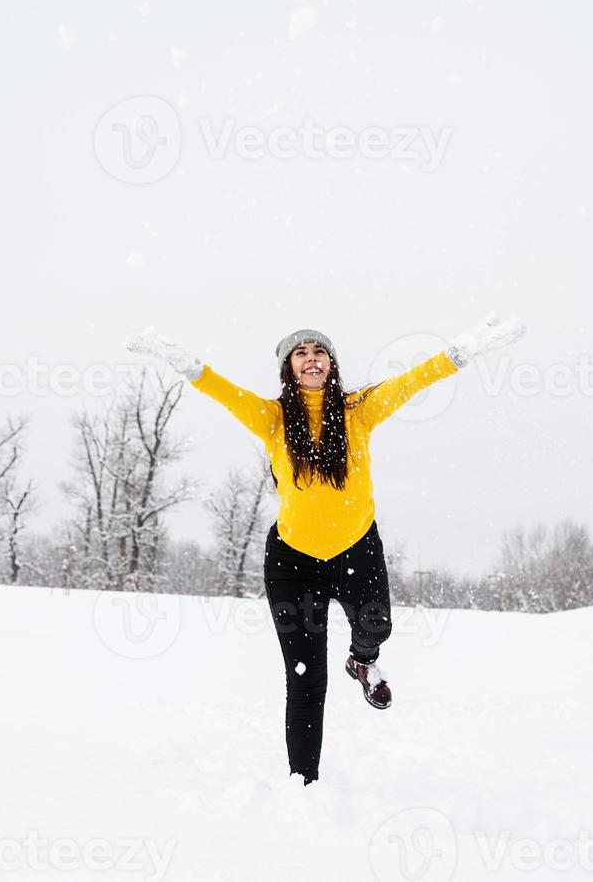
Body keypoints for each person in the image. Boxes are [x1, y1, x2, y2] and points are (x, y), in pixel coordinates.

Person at [126, 313, 525, 786]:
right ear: (288, 369)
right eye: (301, 354)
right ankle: (303, 783)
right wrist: (185, 363)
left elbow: (412, 382)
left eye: (319, 352)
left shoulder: (359, 409)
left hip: (356, 549)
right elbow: (225, 393)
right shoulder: (272, 419)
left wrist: (460, 351)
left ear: (331, 364)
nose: (311, 359)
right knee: (306, 678)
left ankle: (362, 659)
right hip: (293, 563)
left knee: (377, 624)